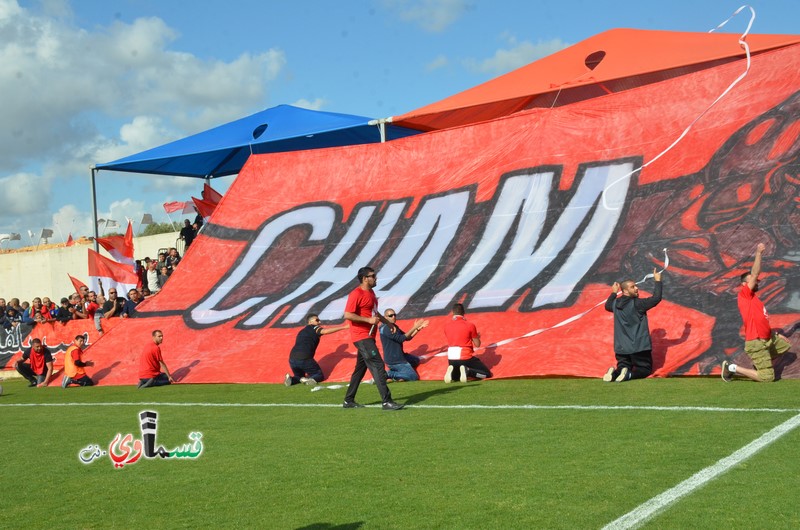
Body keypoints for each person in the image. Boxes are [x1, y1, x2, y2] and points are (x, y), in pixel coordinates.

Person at [722, 243, 792, 382]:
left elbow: (761, 320)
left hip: (768, 338)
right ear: (744, 284)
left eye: (757, 281)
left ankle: (761, 364)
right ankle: (731, 368)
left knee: (785, 345)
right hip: (757, 342)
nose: (757, 282)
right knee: (768, 378)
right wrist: (759, 253)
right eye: (753, 280)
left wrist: (775, 334)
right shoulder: (745, 294)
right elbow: (755, 273)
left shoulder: (755, 299)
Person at [342, 266, 404, 410]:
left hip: (368, 337)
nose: (376, 278)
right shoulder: (356, 294)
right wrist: (368, 321)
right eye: (373, 276)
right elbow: (348, 315)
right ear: (364, 279)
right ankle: (386, 401)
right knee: (378, 365)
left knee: (360, 370)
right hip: (362, 337)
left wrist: (388, 323)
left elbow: (375, 314)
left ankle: (348, 400)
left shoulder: (371, 292)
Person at [603, 268, 663, 382]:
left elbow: (607, 305)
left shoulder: (615, 304)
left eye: (635, 286)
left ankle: (613, 374)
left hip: (621, 347)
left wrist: (613, 292)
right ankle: (629, 375)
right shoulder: (638, 304)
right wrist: (658, 281)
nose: (636, 288)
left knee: (622, 367)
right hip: (638, 347)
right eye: (632, 287)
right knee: (645, 369)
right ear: (625, 291)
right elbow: (656, 298)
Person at [285, 314, 348, 386]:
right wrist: (344, 327)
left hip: (292, 358)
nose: (319, 322)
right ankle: (310, 380)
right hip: (304, 358)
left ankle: (292, 380)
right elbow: (325, 331)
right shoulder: (314, 327)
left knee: (299, 376)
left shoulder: (302, 331)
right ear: (310, 322)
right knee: (319, 375)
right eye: (317, 320)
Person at [444, 303, 492, 382]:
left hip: (451, 358)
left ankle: (452, 374)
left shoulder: (447, 326)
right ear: (464, 312)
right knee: (487, 374)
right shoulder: (470, 325)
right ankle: (468, 371)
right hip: (465, 356)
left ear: (453, 312)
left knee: (457, 377)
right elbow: (477, 344)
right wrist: (477, 337)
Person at [379, 309, 429, 381]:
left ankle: (399, 374)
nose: (393, 317)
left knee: (415, 361)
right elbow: (401, 339)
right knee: (413, 377)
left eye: (394, 315)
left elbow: (407, 337)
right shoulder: (386, 328)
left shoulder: (394, 326)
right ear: (385, 317)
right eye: (391, 315)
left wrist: (418, 329)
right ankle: (388, 374)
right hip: (394, 360)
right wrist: (414, 327)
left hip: (400, 356)